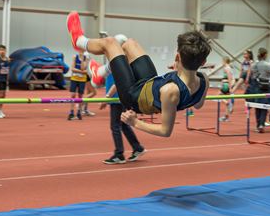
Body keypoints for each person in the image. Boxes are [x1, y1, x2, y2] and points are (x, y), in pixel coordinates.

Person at [67, 11, 210, 137]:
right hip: (150, 83)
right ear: (203, 62)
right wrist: (180, 70)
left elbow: (165, 131)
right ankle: (100, 73)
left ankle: (78, 41)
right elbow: (197, 104)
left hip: (134, 96)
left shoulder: (171, 91)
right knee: (129, 44)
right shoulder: (204, 80)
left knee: (110, 43)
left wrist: (135, 122)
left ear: (178, 57)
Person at [101, 73, 146, 164]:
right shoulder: (113, 64)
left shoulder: (115, 62)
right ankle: (137, 148)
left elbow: (118, 83)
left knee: (115, 126)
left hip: (116, 99)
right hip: (118, 98)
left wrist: (107, 97)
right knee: (123, 125)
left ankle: (119, 155)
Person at [246, 47, 270, 133]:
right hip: (266, 85)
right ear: (265, 55)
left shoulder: (254, 64)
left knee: (257, 105)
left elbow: (253, 74)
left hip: (257, 85)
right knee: (264, 106)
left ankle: (258, 125)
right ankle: (262, 124)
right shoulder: (268, 65)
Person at [68, 50, 89, 120]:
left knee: (80, 95)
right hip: (74, 78)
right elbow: (72, 69)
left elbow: (84, 69)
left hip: (82, 80)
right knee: (73, 95)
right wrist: (81, 71)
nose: (81, 52)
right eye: (80, 50)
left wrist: (82, 59)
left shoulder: (86, 58)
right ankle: (71, 111)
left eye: (82, 50)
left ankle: (79, 111)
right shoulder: (75, 57)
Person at [0, 45, 9, 119]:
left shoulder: (8, 59)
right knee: (0, 95)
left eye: (3, 50)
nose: (2, 51)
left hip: (5, 79)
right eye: (0, 50)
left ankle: (0, 110)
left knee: (4, 96)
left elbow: (8, 71)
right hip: (0, 79)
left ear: (5, 51)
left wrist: (8, 80)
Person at [219, 57, 235, 122]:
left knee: (219, 96)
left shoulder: (226, 68)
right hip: (227, 84)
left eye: (222, 61)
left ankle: (228, 103)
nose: (222, 63)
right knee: (226, 100)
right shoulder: (229, 68)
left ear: (225, 61)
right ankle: (226, 116)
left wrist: (230, 87)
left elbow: (229, 78)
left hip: (226, 85)